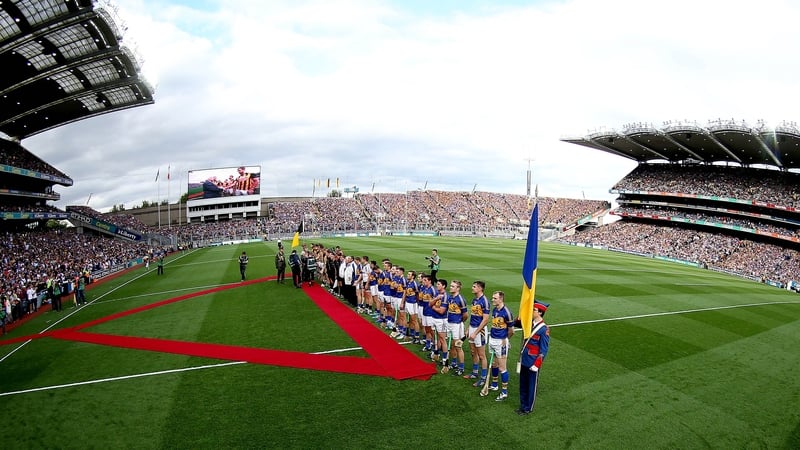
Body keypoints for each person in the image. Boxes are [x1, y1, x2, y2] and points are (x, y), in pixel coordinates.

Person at [515, 301, 550, 416]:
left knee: (531, 386)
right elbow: (516, 323)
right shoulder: (528, 323)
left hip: (532, 362)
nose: (531, 311)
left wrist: (537, 364)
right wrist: (522, 313)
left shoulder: (544, 329)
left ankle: (528, 408)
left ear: (540, 312)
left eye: (534, 310)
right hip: (524, 358)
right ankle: (522, 405)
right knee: (523, 384)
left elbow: (544, 349)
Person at [484, 290, 514, 402]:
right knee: (494, 364)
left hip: (500, 342)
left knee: (502, 368)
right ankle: (495, 384)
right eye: (493, 298)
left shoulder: (507, 312)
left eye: (495, 298)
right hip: (492, 339)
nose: (492, 300)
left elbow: (511, 330)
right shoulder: (495, 310)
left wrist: (506, 339)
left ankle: (504, 392)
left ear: (501, 299)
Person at [466, 280, 491, 385]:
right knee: (473, 352)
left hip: (480, 331)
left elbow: (485, 320)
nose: (472, 288)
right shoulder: (474, 300)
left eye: (474, 287)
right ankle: (475, 372)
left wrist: (475, 332)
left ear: (480, 288)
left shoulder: (485, 301)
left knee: (481, 355)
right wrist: (468, 328)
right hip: (472, 328)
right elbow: (473, 315)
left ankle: (483, 378)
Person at [444, 279, 468, 375]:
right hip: (449, 323)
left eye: (453, 286)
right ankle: (454, 363)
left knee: (458, 346)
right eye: (451, 286)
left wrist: (459, 321)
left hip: (456, 324)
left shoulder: (460, 299)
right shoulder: (450, 297)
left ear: (458, 288)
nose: (450, 287)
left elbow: (465, 315)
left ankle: (461, 368)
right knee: (452, 345)